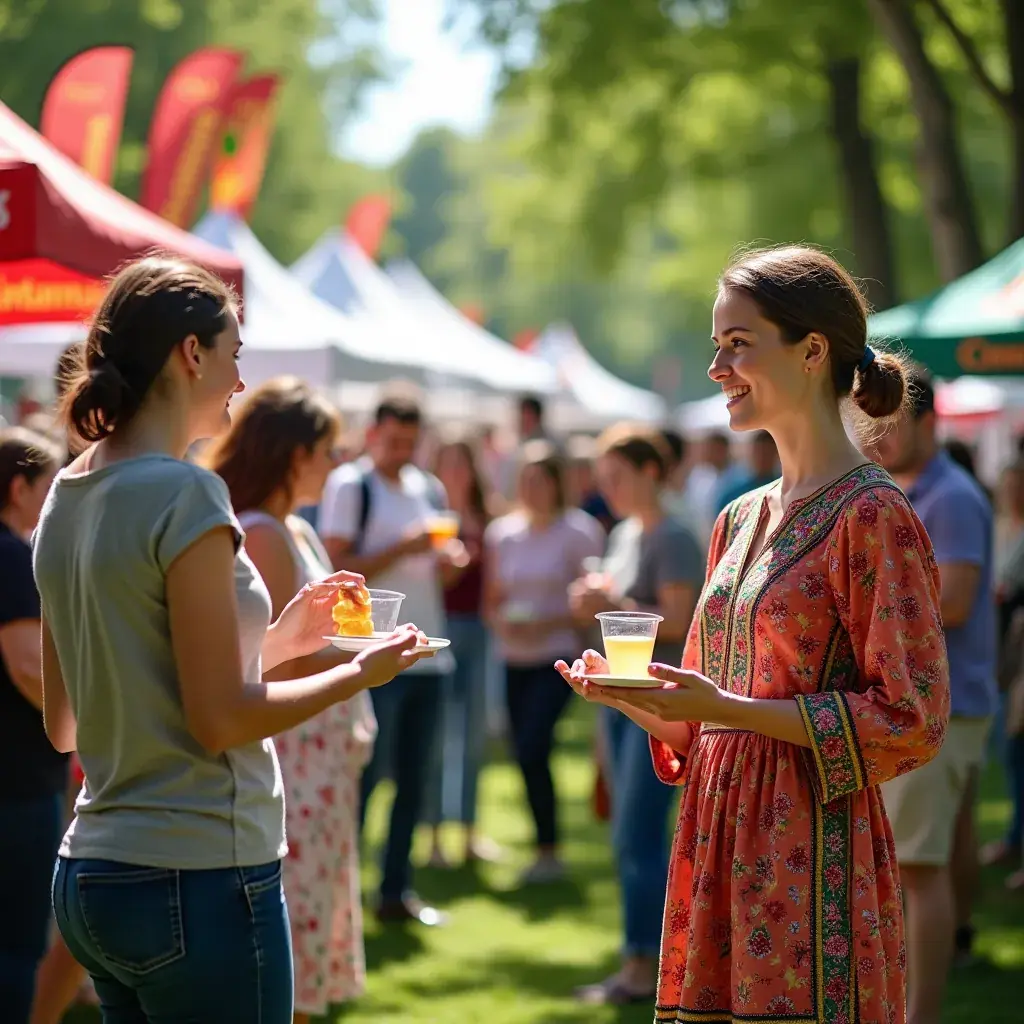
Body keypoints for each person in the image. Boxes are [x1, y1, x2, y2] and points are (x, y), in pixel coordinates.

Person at [32, 255, 433, 1024]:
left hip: (94, 872)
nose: (240, 382)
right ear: (191, 354)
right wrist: (361, 671)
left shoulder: (66, 493)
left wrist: (278, 643)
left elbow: (70, 720)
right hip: (196, 873)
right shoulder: (184, 490)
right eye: (234, 355)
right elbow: (218, 720)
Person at [556, 245, 949, 1023]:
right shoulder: (738, 517)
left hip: (814, 854)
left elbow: (912, 718)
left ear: (811, 352)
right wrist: (633, 698)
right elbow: (705, 717)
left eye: (738, 344)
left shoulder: (872, 515)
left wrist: (733, 712)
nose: (716, 368)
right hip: (716, 838)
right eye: (716, 345)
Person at [204, 377, 378, 1021]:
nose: (337, 465)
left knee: (311, 908)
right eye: (329, 451)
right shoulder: (266, 533)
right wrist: (372, 656)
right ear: (295, 453)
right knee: (295, 918)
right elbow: (282, 653)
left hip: (318, 751)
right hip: (295, 748)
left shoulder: (288, 527)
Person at [873, 367, 997, 1010]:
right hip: (948, 700)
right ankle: (953, 954)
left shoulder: (948, 497)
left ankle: (916, 1012)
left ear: (929, 423)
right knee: (943, 853)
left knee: (916, 869)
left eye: (892, 422)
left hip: (939, 703)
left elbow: (952, 603)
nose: (880, 436)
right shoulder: (917, 488)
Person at [320, 384, 466, 926]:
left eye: (411, 442)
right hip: (374, 656)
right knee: (365, 777)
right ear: (373, 435)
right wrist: (403, 548)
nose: (402, 451)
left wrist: (449, 560)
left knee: (413, 780)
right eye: (394, 440)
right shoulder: (350, 485)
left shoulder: (426, 487)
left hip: (429, 652)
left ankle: (393, 893)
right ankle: (340, 896)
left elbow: (439, 571)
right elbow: (337, 567)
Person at [567, 423, 703, 1005]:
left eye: (618, 476)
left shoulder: (673, 536)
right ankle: (642, 959)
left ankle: (645, 966)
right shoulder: (625, 533)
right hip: (623, 702)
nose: (610, 488)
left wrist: (610, 605)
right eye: (604, 478)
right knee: (629, 836)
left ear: (652, 471)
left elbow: (677, 620)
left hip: (661, 705)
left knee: (638, 837)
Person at [485, 440, 604, 884]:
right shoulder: (503, 533)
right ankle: (544, 848)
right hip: (512, 657)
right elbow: (491, 599)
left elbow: (592, 602)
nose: (534, 489)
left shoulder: (580, 532)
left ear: (558, 484)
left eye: (542, 480)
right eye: (527, 480)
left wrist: (545, 621)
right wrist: (502, 622)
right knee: (524, 753)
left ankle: (550, 850)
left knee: (534, 743)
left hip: (558, 658)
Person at [0, 428, 65, 1022]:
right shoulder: (12, 555)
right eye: (47, 488)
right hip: (17, 781)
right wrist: (84, 714)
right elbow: (26, 666)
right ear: (19, 489)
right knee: (17, 942)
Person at [425, 433, 500, 866]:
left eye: (460, 464)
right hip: (439, 630)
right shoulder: (429, 517)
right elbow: (434, 583)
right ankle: (433, 837)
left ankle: (469, 833)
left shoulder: (489, 518)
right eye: (446, 463)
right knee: (436, 737)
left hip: (479, 633)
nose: (453, 473)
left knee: (473, 736)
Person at [714, 429, 779, 511]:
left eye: (767, 453)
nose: (761, 458)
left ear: (776, 454)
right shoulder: (733, 493)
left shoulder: (783, 490)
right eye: (758, 452)